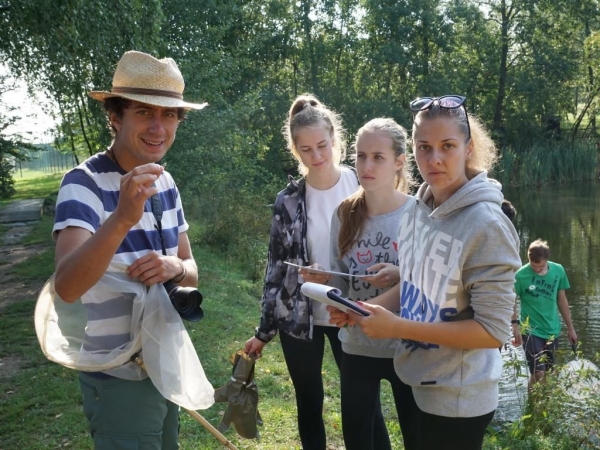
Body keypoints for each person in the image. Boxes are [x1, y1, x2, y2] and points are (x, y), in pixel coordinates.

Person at [329, 95, 521, 450]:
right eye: (424, 147)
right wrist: (361, 312)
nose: (434, 159)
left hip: (460, 397)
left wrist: (397, 327)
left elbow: (493, 332)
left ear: (468, 148)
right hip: (422, 380)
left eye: (447, 146)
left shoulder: (487, 223)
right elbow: (416, 284)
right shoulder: (422, 206)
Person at [53, 50, 206, 449]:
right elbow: (67, 287)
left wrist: (172, 265)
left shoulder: (166, 183)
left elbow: (191, 267)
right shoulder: (82, 184)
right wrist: (121, 217)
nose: (159, 127)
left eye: (170, 115)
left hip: (164, 359)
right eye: (144, 112)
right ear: (116, 117)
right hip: (117, 372)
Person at [244, 94, 359, 450]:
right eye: (306, 150)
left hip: (349, 314)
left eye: (322, 145)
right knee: (309, 403)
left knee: (361, 406)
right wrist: (263, 332)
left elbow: (380, 256)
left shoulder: (361, 185)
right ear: (295, 151)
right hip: (298, 317)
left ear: (335, 138)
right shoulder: (288, 200)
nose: (317, 156)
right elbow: (276, 268)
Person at [328, 118, 416, 450]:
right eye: (361, 155)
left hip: (407, 346)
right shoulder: (344, 213)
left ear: (398, 162)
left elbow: (432, 283)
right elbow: (339, 279)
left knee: (415, 437)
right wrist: (329, 292)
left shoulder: (418, 214)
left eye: (377, 157)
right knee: (358, 439)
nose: (366, 165)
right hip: (356, 346)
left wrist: (399, 271)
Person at [512, 238, 577, 389]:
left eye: (541, 266)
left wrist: (571, 329)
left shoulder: (558, 270)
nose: (538, 270)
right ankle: (531, 406)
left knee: (549, 373)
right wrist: (515, 326)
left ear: (547, 259)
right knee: (538, 373)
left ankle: (545, 407)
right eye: (534, 266)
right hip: (530, 331)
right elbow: (511, 301)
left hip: (552, 330)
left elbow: (562, 300)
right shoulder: (520, 276)